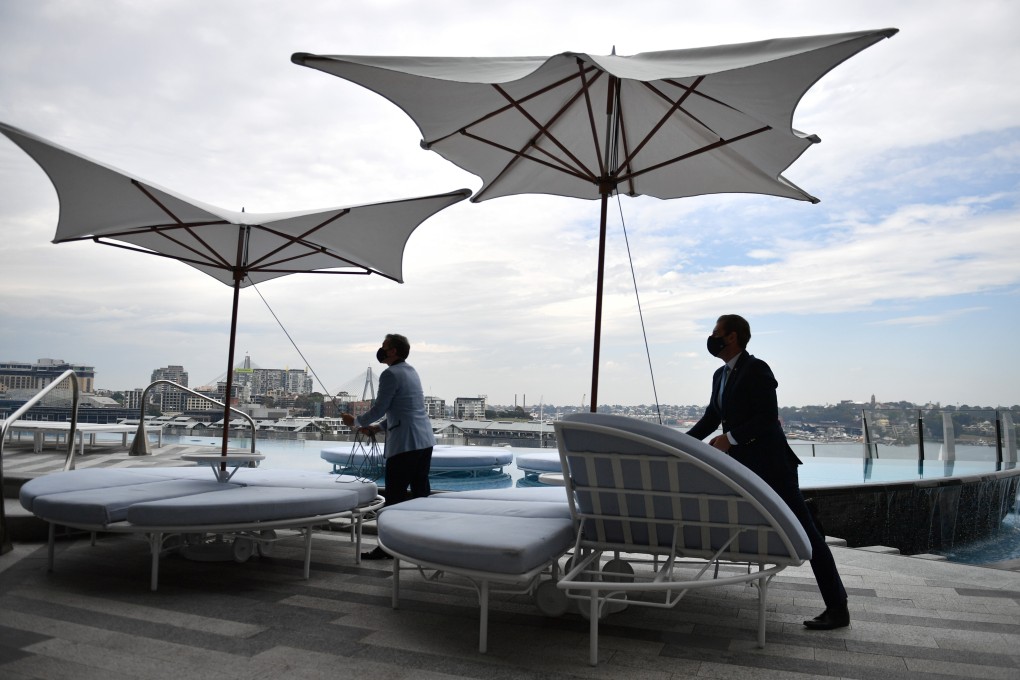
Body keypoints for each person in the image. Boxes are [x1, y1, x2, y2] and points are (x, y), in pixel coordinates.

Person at [687, 314, 850, 630]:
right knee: (800, 526)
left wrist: (730, 438)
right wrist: (681, 443)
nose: (711, 337)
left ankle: (837, 608)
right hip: (744, 467)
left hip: (772, 466)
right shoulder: (720, 375)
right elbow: (711, 418)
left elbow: (767, 417)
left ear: (732, 337)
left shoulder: (756, 369)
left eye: (716, 332)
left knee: (809, 535)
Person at [341, 333, 435, 560]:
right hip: (424, 441)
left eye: (384, 346)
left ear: (393, 351)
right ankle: (424, 544)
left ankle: (388, 547)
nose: (381, 349)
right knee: (421, 494)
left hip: (405, 444)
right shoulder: (411, 371)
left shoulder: (390, 374)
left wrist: (356, 422)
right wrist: (378, 428)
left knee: (394, 497)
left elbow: (381, 408)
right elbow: (405, 409)